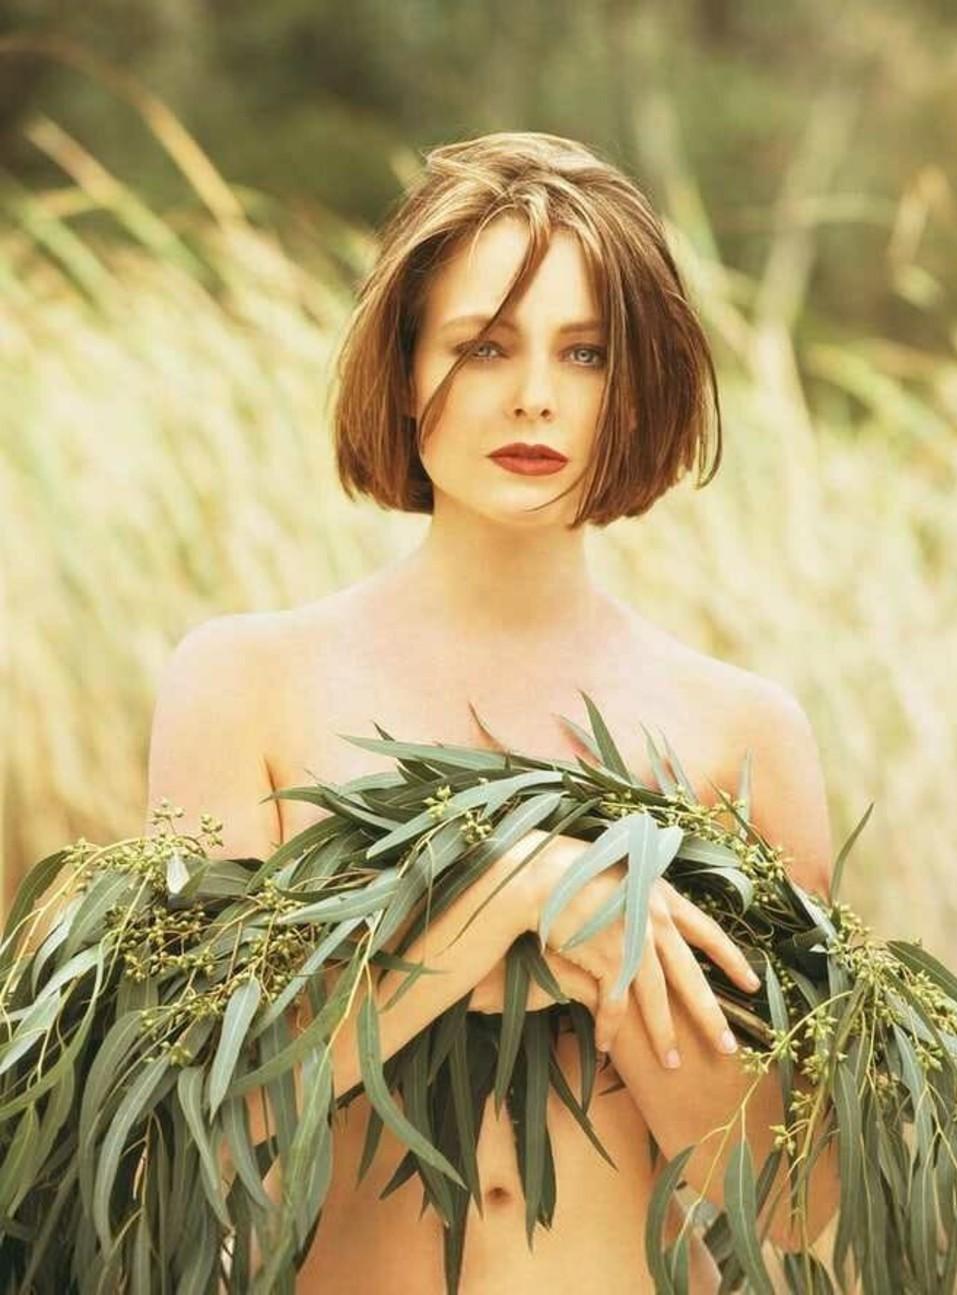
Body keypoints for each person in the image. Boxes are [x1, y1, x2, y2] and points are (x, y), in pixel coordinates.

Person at [145, 130, 840, 1293]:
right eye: (482, 346)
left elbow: (797, 1195)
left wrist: (617, 950)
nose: (534, 397)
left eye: (586, 352)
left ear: (642, 382)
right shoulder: (245, 681)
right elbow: (208, 1119)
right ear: (405, 363)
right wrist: (511, 896)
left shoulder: (744, 729)